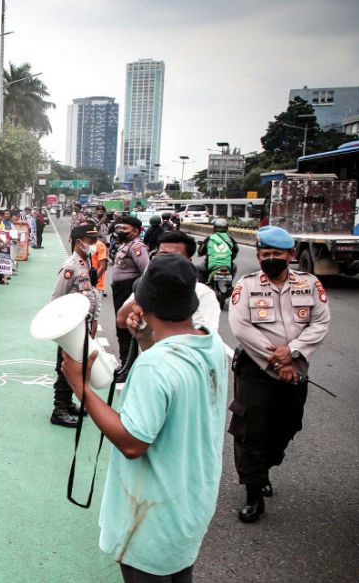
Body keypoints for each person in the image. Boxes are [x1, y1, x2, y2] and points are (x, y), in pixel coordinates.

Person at [61, 254, 227, 583]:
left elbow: (134, 442)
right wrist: (146, 339)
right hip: (190, 502)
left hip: (152, 514)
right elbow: (168, 390)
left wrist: (80, 387)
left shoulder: (155, 367)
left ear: (145, 303)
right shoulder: (211, 343)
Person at [228, 226, 330, 523]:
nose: (271, 259)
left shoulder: (310, 284)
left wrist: (293, 352)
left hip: (296, 368)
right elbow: (241, 327)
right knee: (250, 431)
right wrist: (277, 362)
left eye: (277, 254)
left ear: (291, 255)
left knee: (287, 426)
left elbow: (320, 323)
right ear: (258, 256)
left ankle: (265, 468)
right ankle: (253, 492)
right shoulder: (245, 286)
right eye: (265, 254)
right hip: (255, 369)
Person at [116, 231, 221, 337]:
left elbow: (205, 337)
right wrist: (146, 293)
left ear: (188, 261)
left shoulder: (203, 293)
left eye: (174, 256)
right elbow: (121, 321)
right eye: (163, 255)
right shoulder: (148, 286)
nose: (166, 261)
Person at [49, 224, 101, 428]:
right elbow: (56, 299)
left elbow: (92, 294)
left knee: (77, 365)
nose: (94, 244)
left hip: (83, 324)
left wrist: (94, 320)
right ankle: (59, 409)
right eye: (90, 241)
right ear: (78, 242)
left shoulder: (86, 262)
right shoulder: (70, 267)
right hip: (71, 327)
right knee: (65, 367)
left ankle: (68, 403)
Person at [111, 216, 150, 366]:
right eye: (120, 228)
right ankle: (125, 363)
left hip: (129, 289)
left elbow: (146, 270)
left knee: (126, 328)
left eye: (125, 229)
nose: (121, 231)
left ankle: (128, 366)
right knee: (120, 328)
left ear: (135, 231)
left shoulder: (137, 247)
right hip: (120, 290)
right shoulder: (125, 245)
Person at [196, 217, 239, 282]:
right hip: (227, 266)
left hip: (211, 265)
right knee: (234, 267)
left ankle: (202, 287)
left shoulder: (210, 238)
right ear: (227, 229)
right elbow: (236, 250)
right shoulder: (230, 239)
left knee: (198, 268)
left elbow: (200, 252)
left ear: (214, 228)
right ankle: (229, 285)